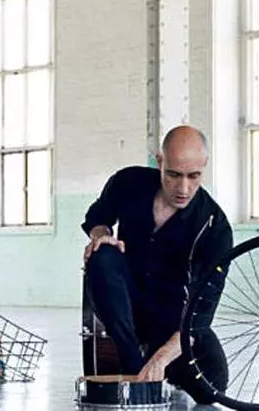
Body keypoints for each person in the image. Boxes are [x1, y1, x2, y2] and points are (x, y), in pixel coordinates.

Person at [81, 125, 231, 405]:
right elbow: (97, 217)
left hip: (173, 322)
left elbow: (202, 312)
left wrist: (163, 357)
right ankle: (132, 364)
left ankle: (159, 367)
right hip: (123, 302)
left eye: (194, 176)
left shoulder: (215, 228)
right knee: (103, 255)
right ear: (160, 161)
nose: (183, 188)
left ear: (204, 166)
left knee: (213, 386)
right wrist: (101, 236)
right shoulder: (128, 182)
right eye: (173, 174)